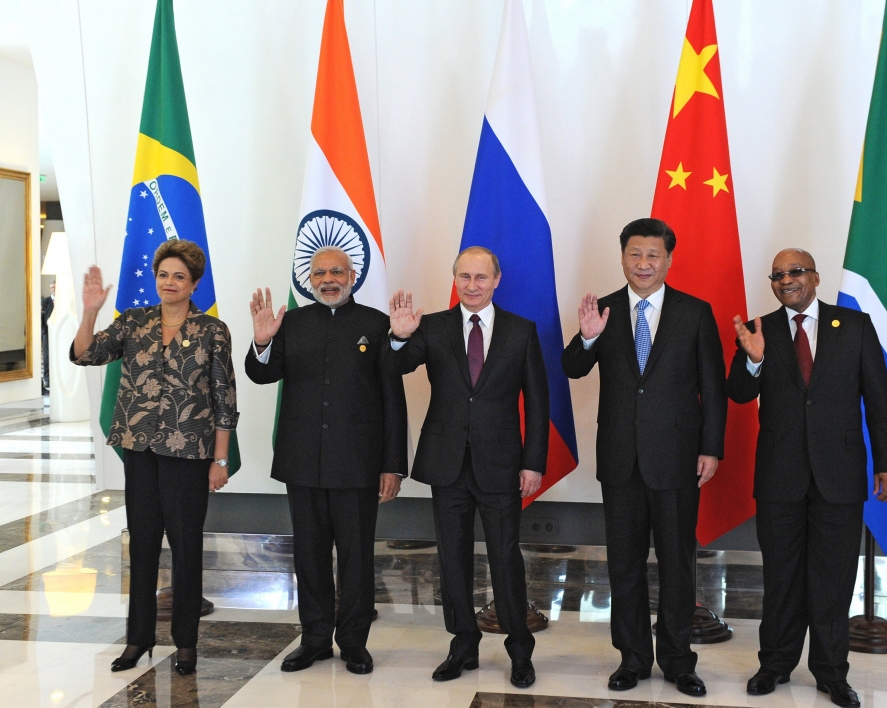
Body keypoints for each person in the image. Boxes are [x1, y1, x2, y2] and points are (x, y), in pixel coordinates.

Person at [726, 248, 887, 708]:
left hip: (839, 478)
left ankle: (831, 674)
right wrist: (753, 360)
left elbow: (878, 398)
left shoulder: (854, 326)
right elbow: (739, 394)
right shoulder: (759, 330)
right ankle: (775, 666)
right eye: (778, 275)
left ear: (816, 277)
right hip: (780, 477)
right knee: (781, 578)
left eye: (796, 272)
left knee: (833, 579)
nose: (787, 280)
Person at [562, 218, 726, 697]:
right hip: (620, 460)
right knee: (625, 565)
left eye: (653, 255)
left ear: (669, 260)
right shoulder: (605, 310)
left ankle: (678, 661)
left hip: (677, 459)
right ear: (622, 258)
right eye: (635, 254)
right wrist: (588, 337)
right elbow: (572, 367)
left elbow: (713, 388)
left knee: (678, 564)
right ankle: (632, 658)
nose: (644, 264)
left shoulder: (695, 313)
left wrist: (711, 447)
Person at [71, 239, 237, 676]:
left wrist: (219, 461)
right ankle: (138, 640)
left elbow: (224, 399)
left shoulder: (211, 331)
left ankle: (186, 644)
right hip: (140, 451)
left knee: (185, 549)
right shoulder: (133, 322)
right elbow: (87, 354)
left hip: (188, 454)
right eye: (163, 274)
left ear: (194, 283)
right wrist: (89, 311)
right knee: (142, 547)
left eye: (179, 276)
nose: (169, 283)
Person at [387, 246, 549, 689]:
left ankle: (519, 649)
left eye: (481, 278)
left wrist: (534, 461)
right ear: (454, 279)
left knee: (504, 558)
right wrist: (400, 337)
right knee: (452, 559)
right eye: (464, 277)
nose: (472, 286)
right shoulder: (434, 326)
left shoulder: (520, 330)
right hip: (447, 464)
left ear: (496, 280)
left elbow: (537, 402)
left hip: (501, 465)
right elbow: (398, 365)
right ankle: (463, 646)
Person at [245, 246, 408, 675]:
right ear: (309, 279)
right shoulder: (291, 323)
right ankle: (315, 639)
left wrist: (392, 465)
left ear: (352, 275)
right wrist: (262, 341)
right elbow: (261, 374)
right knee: (309, 556)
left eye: (337, 271)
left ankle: (354, 642)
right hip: (302, 463)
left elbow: (394, 400)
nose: (328, 279)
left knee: (356, 559)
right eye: (320, 273)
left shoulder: (375, 324)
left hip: (358, 466)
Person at [41, 282, 55, 394]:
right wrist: (43, 331)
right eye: (51, 288)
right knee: (47, 355)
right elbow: (42, 316)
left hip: (58, 333)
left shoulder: (62, 301)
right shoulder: (45, 301)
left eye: (54, 287)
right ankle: (47, 378)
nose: (53, 289)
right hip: (47, 332)